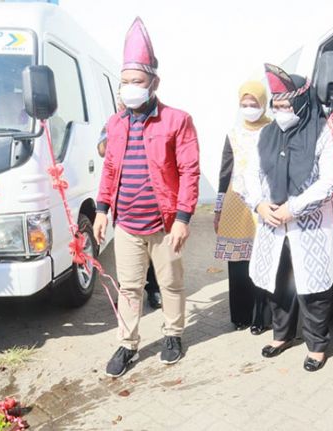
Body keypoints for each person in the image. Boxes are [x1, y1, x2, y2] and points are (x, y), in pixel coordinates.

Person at [93, 17, 200, 378]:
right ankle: (127, 343)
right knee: (129, 287)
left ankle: (173, 335)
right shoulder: (116, 122)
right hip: (127, 225)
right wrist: (102, 209)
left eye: (136, 82)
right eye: (124, 83)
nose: (129, 89)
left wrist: (184, 219)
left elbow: (189, 171)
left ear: (154, 82)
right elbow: (109, 169)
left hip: (165, 223)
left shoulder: (177, 120)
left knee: (170, 283)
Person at [241, 64, 333, 372]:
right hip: (272, 224)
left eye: (286, 105)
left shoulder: (323, 131)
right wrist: (259, 204)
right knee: (278, 281)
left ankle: (316, 345)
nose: (280, 110)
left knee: (312, 287)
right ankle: (282, 335)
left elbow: (331, 179)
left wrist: (294, 208)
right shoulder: (268, 133)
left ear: (301, 102)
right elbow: (251, 174)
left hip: (309, 226)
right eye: (276, 105)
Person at [214, 80, 272, 333]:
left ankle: (262, 317)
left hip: (266, 202)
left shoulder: (273, 129)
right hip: (236, 202)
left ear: (263, 103)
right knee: (238, 264)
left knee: (264, 261)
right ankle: (241, 316)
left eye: (254, 104)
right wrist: (218, 208)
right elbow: (225, 171)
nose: (249, 108)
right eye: (244, 104)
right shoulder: (233, 133)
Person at [97, 95, 162, 310]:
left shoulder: (150, 120)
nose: (122, 101)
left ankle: (153, 289)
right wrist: (116, 132)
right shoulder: (113, 122)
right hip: (123, 207)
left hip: (151, 210)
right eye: (118, 98)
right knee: (126, 260)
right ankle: (127, 295)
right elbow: (102, 151)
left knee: (151, 256)